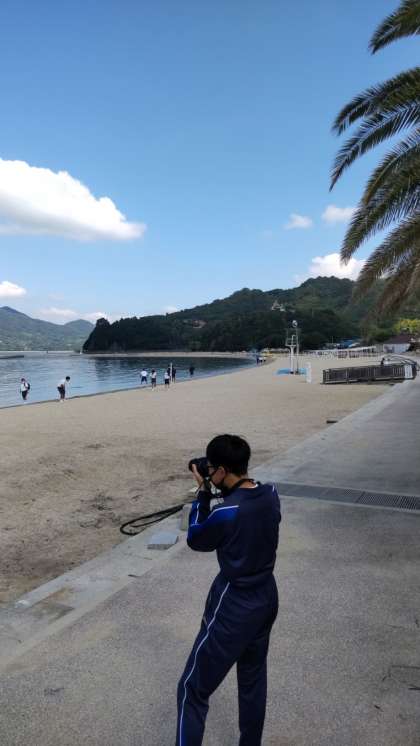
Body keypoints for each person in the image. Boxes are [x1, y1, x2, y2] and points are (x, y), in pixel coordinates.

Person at [176, 434, 281, 746]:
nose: (208, 473)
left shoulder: (227, 511)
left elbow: (196, 538)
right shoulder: (271, 494)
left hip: (234, 603)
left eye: (212, 469)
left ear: (221, 471)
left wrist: (202, 494)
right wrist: (216, 488)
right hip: (266, 595)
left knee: (192, 689)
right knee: (252, 679)